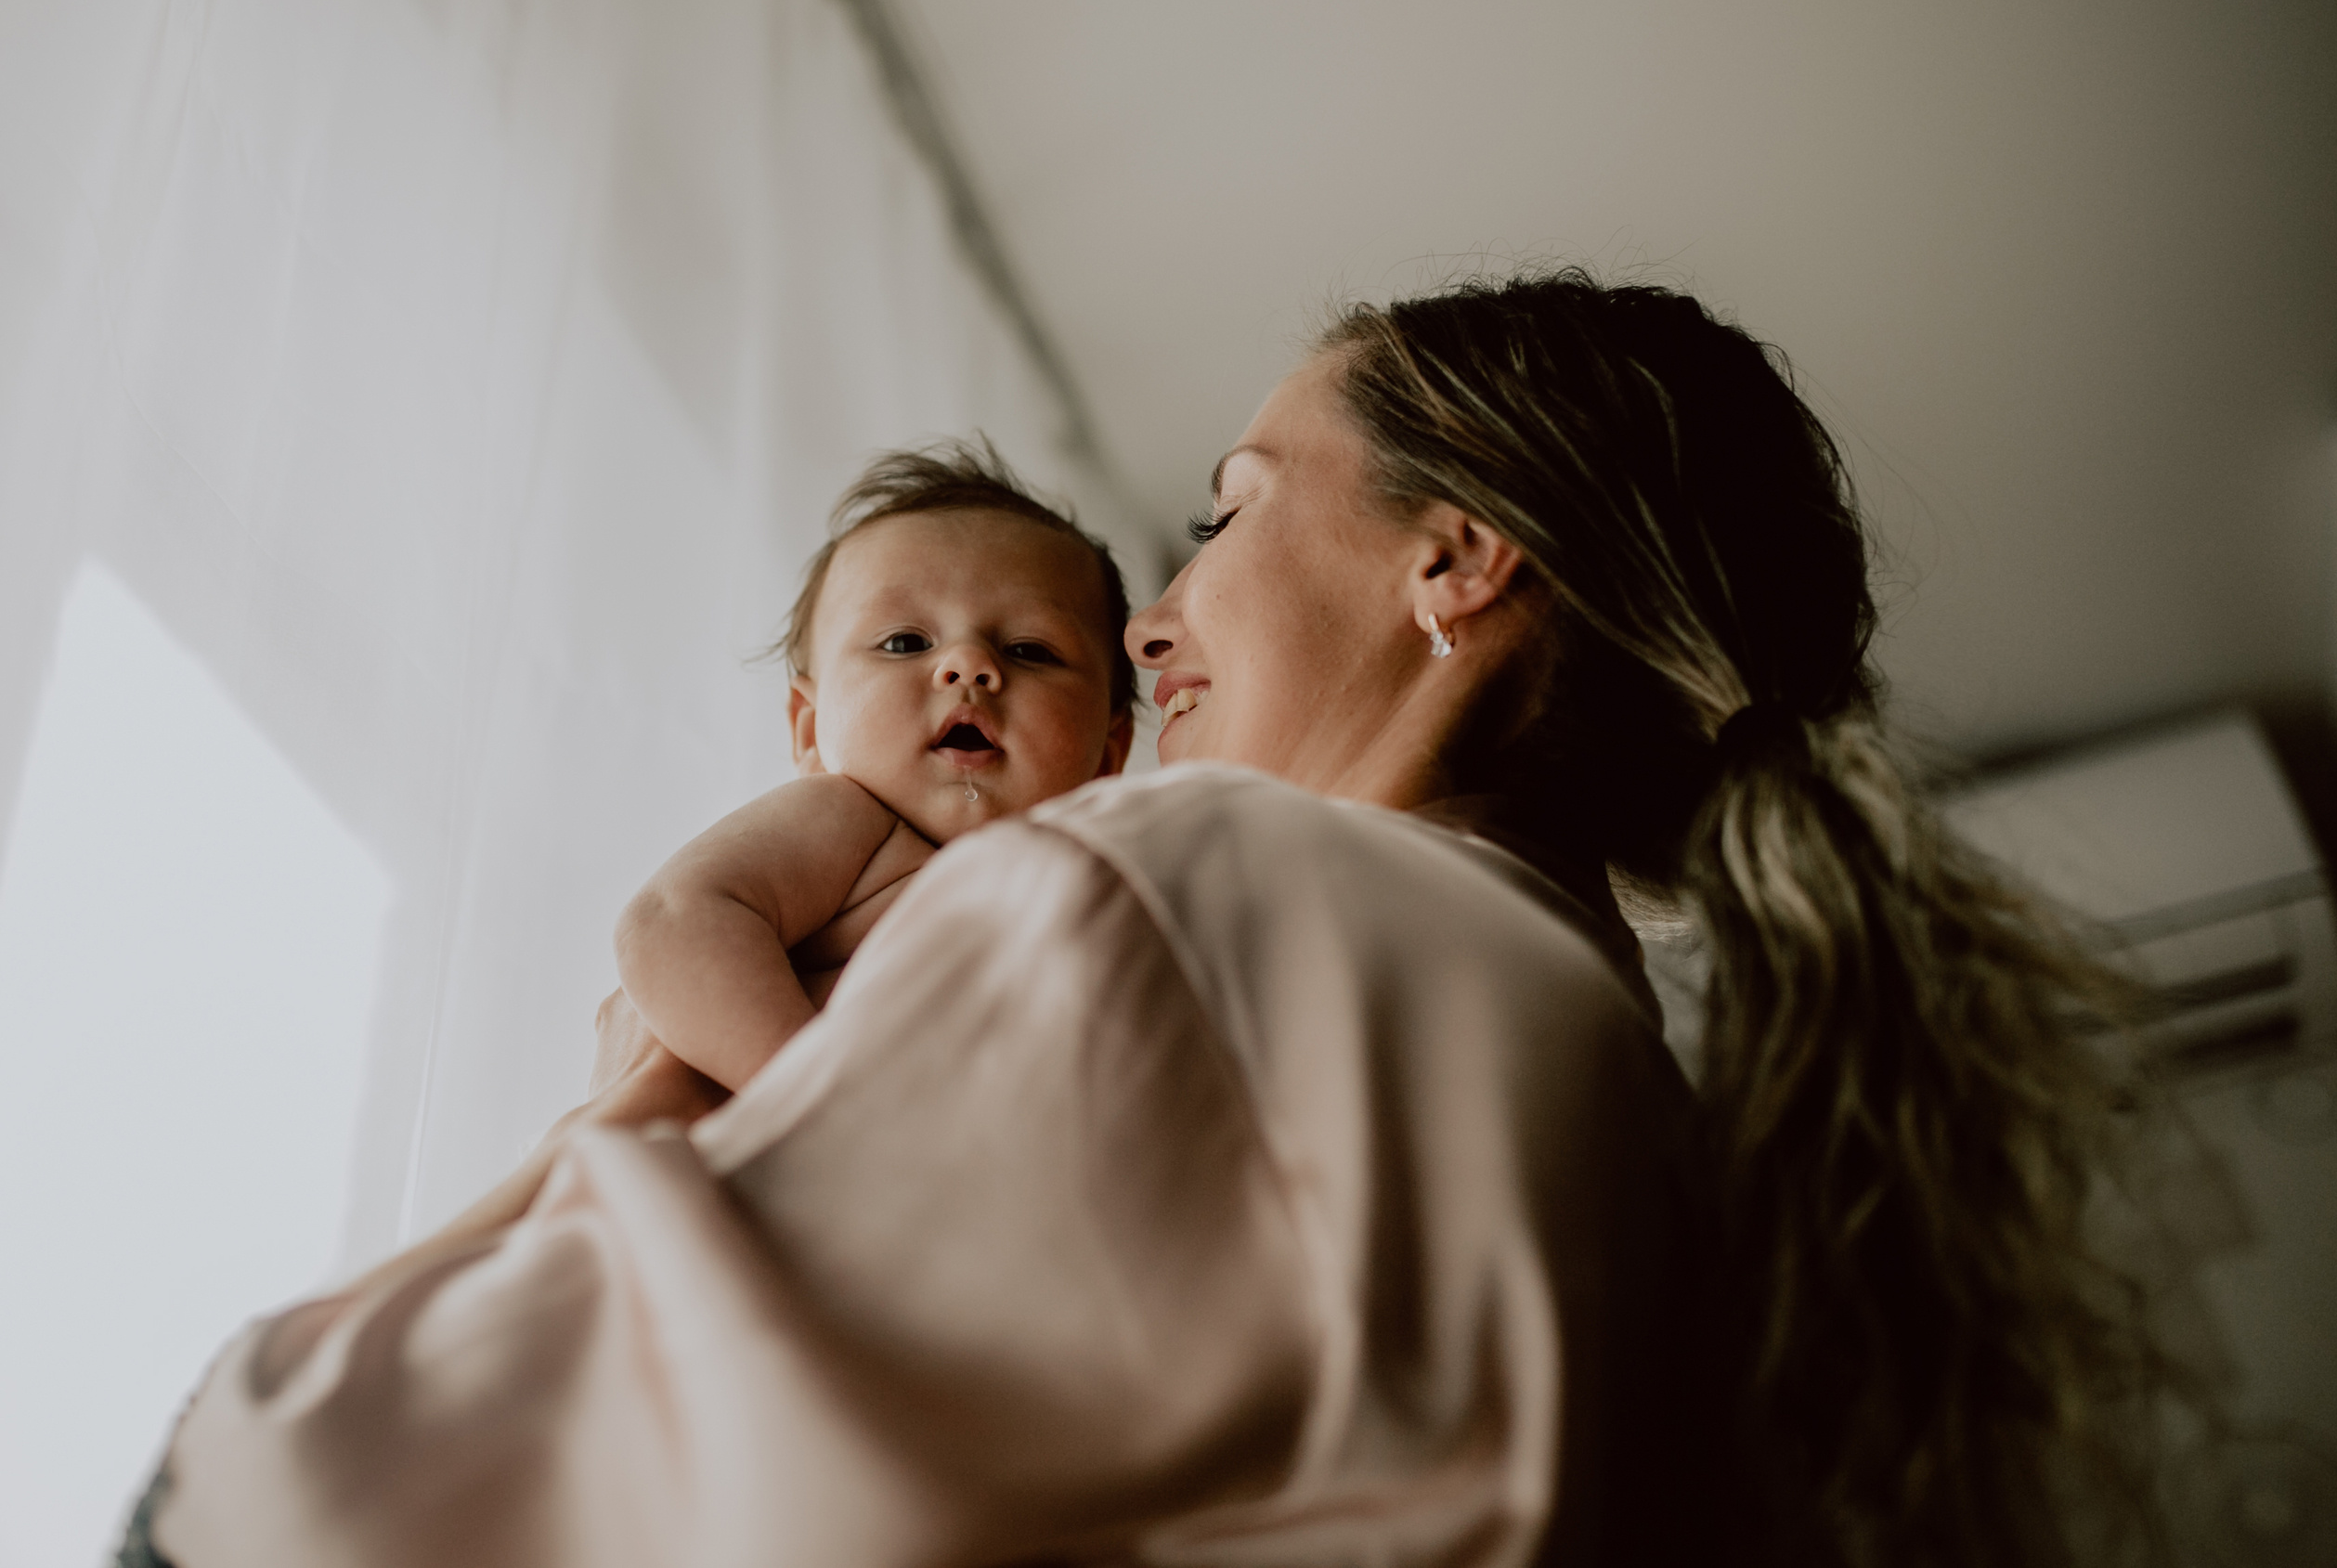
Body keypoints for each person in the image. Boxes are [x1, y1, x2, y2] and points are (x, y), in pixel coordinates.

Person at [134, 269, 2153, 1568]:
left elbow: (472, 1471)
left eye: (1230, 506)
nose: (1158, 616)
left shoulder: (1213, 889)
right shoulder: (1638, 1120)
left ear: (1454, 561)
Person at [614, 440, 1136, 1092]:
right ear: (809, 727)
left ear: (1108, 754)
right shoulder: (848, 824)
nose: (969, 665)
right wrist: (812, 1096)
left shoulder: (1096, 897)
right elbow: (673, 918)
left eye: (1030, 649)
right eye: (905, 642)